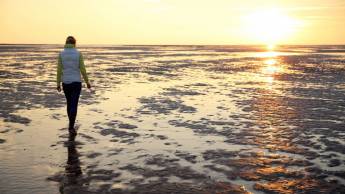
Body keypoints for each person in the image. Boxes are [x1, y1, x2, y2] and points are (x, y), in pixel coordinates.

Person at [57, 36, 91, 137]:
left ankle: (71, 125)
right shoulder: (78, 53)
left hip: (66, 83)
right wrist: (87, 82)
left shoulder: (61, 54)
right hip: (76, 82)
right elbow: (82, 69)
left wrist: (58, 83)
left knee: (69, 103)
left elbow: (59, 70)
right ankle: (71, 126)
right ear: (74, 43)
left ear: (66, 43)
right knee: (74, 104)